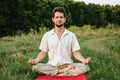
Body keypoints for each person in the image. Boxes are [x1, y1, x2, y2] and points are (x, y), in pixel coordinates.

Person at [28, 7, 91, 76]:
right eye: (57, 17)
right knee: (35, 67)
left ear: (65, 19)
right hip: (51, 66)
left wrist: (84, 60)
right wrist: (36, 60)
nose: (59, 19)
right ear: (53, 19)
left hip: (68, 64)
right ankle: (62, 72)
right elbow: (43, 52)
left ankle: (58, 73)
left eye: (61, 17)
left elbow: (75, 52)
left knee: (85, 67)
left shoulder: (71, 35)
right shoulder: (47, 35)